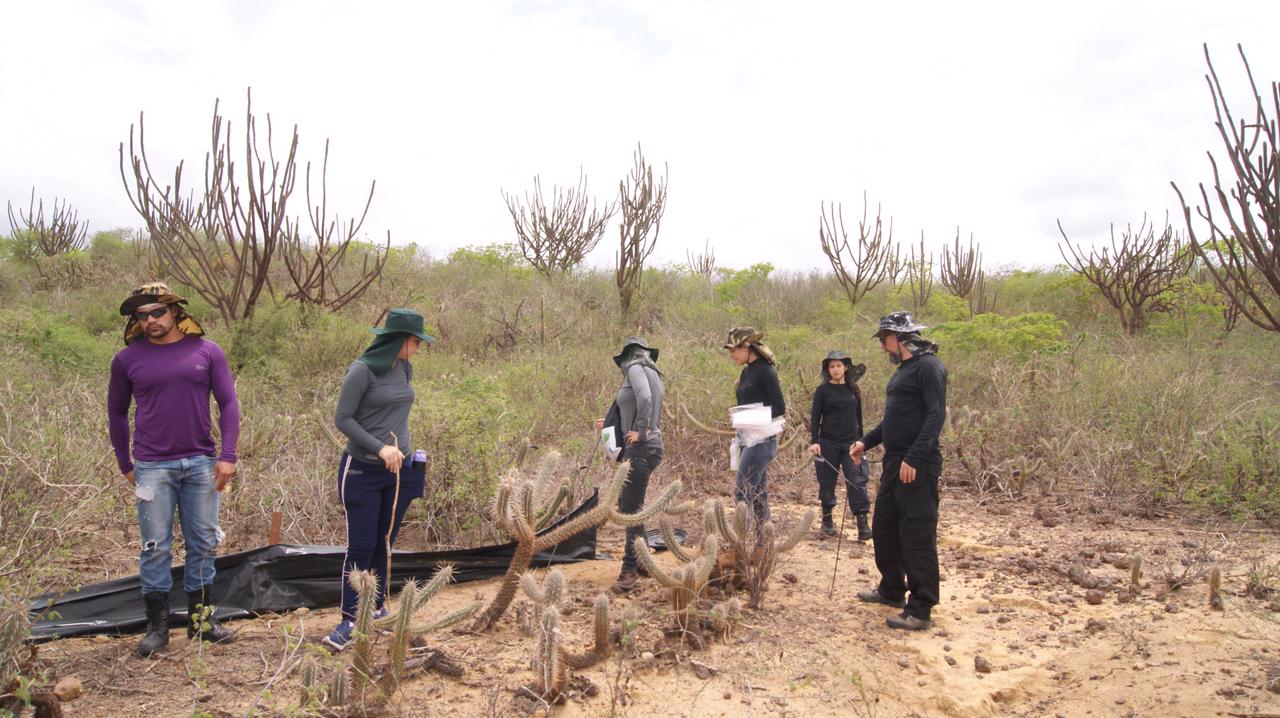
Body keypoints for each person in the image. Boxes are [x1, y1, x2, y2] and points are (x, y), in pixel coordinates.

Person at [107, 282, 240, 657]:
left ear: (176, 312)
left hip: (200, 462)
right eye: (142, 315)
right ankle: (157, 626)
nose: (150, 319)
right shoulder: (127, 360)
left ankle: (202, 622)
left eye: (157, 312)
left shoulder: (207, 351)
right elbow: (116, 413)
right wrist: (125, 464)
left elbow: (228, 403)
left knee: (204, 541)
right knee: (154, 547)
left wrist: (227, 456)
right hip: (152, 466)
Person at [324, 308, 434, 650]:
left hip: (398, 470)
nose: (418, 348)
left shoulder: (404, 367)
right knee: (361, 544)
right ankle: (350, 619)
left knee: (384, 542)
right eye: (416, 341)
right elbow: (343, 419)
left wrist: (402, 450)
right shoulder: (361, 371)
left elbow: (395, 412)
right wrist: (380, 447)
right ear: (399, 340)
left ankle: (379, 607)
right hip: (362, 470)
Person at [850, 311, 947, 631]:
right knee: (885, 526)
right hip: (895, 462)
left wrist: (915, 459)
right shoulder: (905, 370)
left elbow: (935, 416)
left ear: (901, 337)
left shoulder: (930, 367)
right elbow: (894, 420)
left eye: (885, 339)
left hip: (917, 464)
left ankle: (920, 608)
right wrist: (866, 442)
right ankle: (892, 588)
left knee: (916, 533)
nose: (882, 346)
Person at [595, 337, 666, 593]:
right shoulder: (653, 372)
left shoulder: (635, 367)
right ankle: (643, 559)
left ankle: (630, 569)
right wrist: (611, 422)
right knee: (631, 505)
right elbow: (639, 403)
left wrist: (641, 432)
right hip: (650, 447)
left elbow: (645, 398)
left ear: (629, 355)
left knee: (629, 509)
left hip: (643, 447)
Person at [723, 327, 785, 529]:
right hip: (746, 438)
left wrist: (749, 417)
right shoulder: (746, 371)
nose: (731, 355)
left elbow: (779, 407)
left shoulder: (766, 371)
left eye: (734, 350)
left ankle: (740, 544)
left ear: (747, 346)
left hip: (763, 440)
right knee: (758, 493)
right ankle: (762, 543)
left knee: (743, 490)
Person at [808, 350, 872, 540]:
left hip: (851, 444)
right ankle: (827, 521)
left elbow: (858, 418)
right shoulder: (823, 391)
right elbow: (815, 418)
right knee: (827, 482)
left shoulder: (854, 390)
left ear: (846, 367)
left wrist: (862, 443)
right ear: (828, 369)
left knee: (857, 480)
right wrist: (814, 441)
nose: (836, 369)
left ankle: (863, 524)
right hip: (828, 442)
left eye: (839, 366)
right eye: (832, 366)